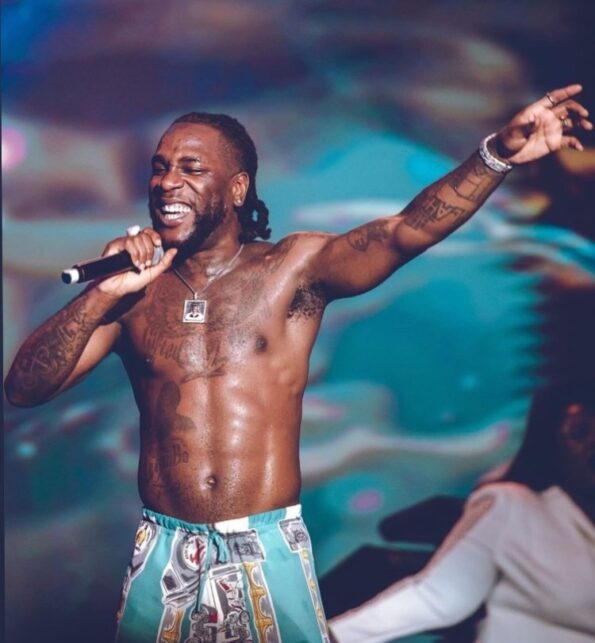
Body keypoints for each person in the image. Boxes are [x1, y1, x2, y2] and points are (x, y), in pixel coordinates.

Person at [4, 85, 591, 643]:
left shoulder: (291, 270)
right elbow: (24, 389)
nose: (167, 182)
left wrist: (496, 155)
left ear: (237, 188)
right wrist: (103, 294)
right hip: (166, 550)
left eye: (190, 167)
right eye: (160, 168)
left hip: (265, 548)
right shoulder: (133, 295)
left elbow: (404, 232)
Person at [329, 381, 595, 643]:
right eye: (579, 431)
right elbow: (436, 598)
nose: (590, 446)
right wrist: (330, 637)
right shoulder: (516, 508)